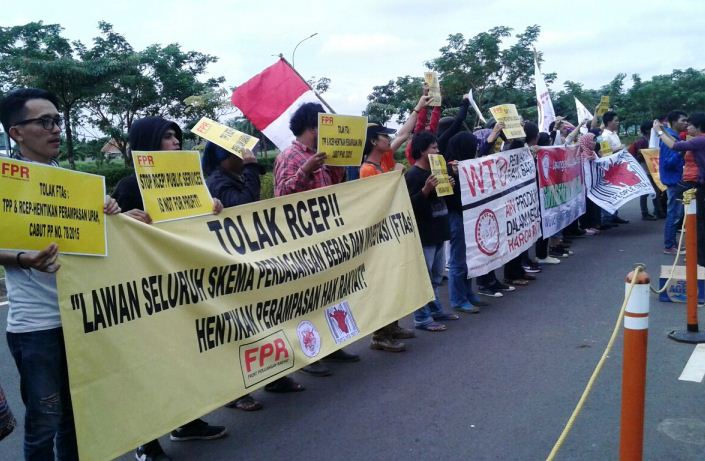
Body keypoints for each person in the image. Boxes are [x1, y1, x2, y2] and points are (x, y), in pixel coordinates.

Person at [0, 88, 121, 460]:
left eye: (57, 120)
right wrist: (24, 259)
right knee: (45, 421)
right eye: (44, 121)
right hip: (36, 328)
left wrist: (112, 214)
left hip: (79, 318)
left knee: (75, 417)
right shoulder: (5, 181)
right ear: (16, 132)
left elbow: (91, 240)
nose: (55, 129)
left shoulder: (72, 183)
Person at [112, 117, 227, 461]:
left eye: (176, 136)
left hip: (184, 285)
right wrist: (125, 221)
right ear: (148, 143)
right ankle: (146, 442)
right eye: (166, 137)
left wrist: (213, 208)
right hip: (148, 291)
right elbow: (116, 239)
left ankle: (187, 423)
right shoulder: (128, 187)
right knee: (151, 366)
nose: (176, 142)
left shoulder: (192, 181)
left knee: (185, 359)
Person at [202, 141, 305, 402]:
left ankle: (274, 376)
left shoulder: (232, 177)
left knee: (262, 321)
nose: (246, 156)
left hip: (248, 262)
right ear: (224, 158)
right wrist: (249, 168)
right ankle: (236, 392)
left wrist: (248, 170)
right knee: (237, 329)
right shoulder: (217, 183)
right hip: (230, 267)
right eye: (239, 154)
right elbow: (244, 205)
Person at [273, 102, 359, 376]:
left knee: (329, 293)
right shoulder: (290, 156)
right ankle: (309, 356)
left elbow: (332, 186)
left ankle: (332, 346)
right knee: (308, 300)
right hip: (302, 242)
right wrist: (305, 170)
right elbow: (281, 197)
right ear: (312, 128)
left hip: (325, 238)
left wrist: (336, 165)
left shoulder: (321, 155)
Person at [359, 124, 417, 352]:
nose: (388, 139)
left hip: (391, 231)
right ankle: (379, 335)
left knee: (394, 280)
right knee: (382, 284)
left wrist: (419, 108)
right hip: (379, 235)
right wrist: (395, 175)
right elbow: (376, 201)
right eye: (384, 136)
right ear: (374, 141)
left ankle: (392, 326)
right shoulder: (367, 170)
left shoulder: (381, 162)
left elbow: (403, 134)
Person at [405, 131, 460, 331]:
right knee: (424, 278)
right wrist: (425, 190)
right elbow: (409, 206)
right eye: (433, 148)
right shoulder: (412, 175)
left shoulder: (438, 170)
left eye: (437, 147)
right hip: (425, 234)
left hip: (439, 230)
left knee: (436, 276)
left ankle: (435, 309)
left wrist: (449, 184)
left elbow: (443, 198)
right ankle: (421, 318)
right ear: (421, 151)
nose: (437, 151)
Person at [443, 131, 490, 312]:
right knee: (458, 260)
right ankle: (458, 299)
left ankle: (468, 294)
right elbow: (447, 195)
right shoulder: (448, 168)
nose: (476, 149)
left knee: (469, 258)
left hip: (469, 216)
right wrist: (454, 175)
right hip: (456, 217)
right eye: (473, 146)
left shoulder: (468, 164)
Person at [655, 113, 705, 265]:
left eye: (690, 124)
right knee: (689, 218)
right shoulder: (693, 140)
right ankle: (692, 252)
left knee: (695, 220)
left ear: (698, 127)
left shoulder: (699, 140)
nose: (687, 126)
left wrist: (659, 131)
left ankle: (699, 257)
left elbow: (675, 146)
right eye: (684, 122)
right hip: (685, 182)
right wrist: (662, 131)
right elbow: (674, 147)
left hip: (696, 184)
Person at [657, 111, 689, 254]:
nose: (686, 123)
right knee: (674, 213)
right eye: (683, 120)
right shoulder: (669, 139)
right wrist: (682, 152)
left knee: (676, 213)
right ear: (674, 122)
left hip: (675, 179)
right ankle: (669, 245)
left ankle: (672, 244)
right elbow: (668, 163)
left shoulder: (672, 136)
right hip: (674, 180)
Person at [628, 120, 663, 220]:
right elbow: (639, 157)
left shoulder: (651, 139)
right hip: (645, 169)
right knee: (647, 191)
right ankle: (646, 212)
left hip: (652, 168)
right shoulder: (642, 141)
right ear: (648, 130)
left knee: (655, 190)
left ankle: (657, 211)